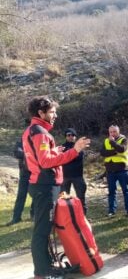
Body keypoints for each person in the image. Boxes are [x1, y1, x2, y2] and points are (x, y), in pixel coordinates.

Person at [22, 96, 90, 279]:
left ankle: (45, 268)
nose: (55, 115)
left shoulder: (31, 130)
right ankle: (42, 272)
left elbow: (39, 157)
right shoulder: (41, 133)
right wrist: (74, 150)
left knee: (43, 229)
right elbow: (45, 162)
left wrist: (56, 151)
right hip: (45, 185)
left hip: (40, 184)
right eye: (52, 112)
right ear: (41, 113)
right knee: (42, 231)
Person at [100, 125, 128, 217]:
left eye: (114, 131)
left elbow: (122, 149)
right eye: (111, 132)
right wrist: (114, 152)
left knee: (126, 191)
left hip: (122, 169)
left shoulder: (124, 140)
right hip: (110, 170)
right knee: (111, 192)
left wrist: (113, 143)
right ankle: (111, 211)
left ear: (118, 131)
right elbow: (102, 152)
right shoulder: (106, 140)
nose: (112, 133)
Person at [6, 139, 34, 226]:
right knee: (21, 196)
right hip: (24, 173)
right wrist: (29, 154)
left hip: (35, 173)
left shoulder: (37, 140)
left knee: (36, 195)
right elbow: (17, 152)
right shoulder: (21, 141)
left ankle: (34, 215)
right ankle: (16, 218)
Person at [60, 128, 88, 215]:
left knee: (80, 198)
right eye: (68, 135)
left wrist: (67, 156)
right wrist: (70, 155)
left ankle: (82, 216)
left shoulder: (80, 146)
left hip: (77, 176)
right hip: (65, 176)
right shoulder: (62, 147)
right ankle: (66, 217)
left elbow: (78, 157)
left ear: (75, 137)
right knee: (64, 198)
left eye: (73, 135)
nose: (71, 137)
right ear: (66, 136)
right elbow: (61, 159)